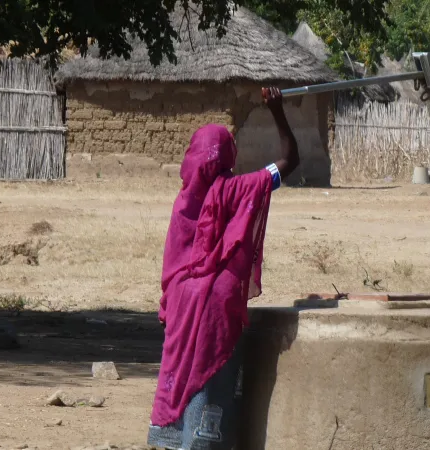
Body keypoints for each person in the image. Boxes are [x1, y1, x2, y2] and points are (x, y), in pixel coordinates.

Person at [147, 87, 298, 450]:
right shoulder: (239, 189)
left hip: (181, 304)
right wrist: (277, 111)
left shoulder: (184, 201)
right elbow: (290, 159)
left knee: (181, 372)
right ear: (229, 156)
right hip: (217, 304)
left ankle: (176, 438)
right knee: (213, 377)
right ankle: (203, 441)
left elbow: (172, 265)